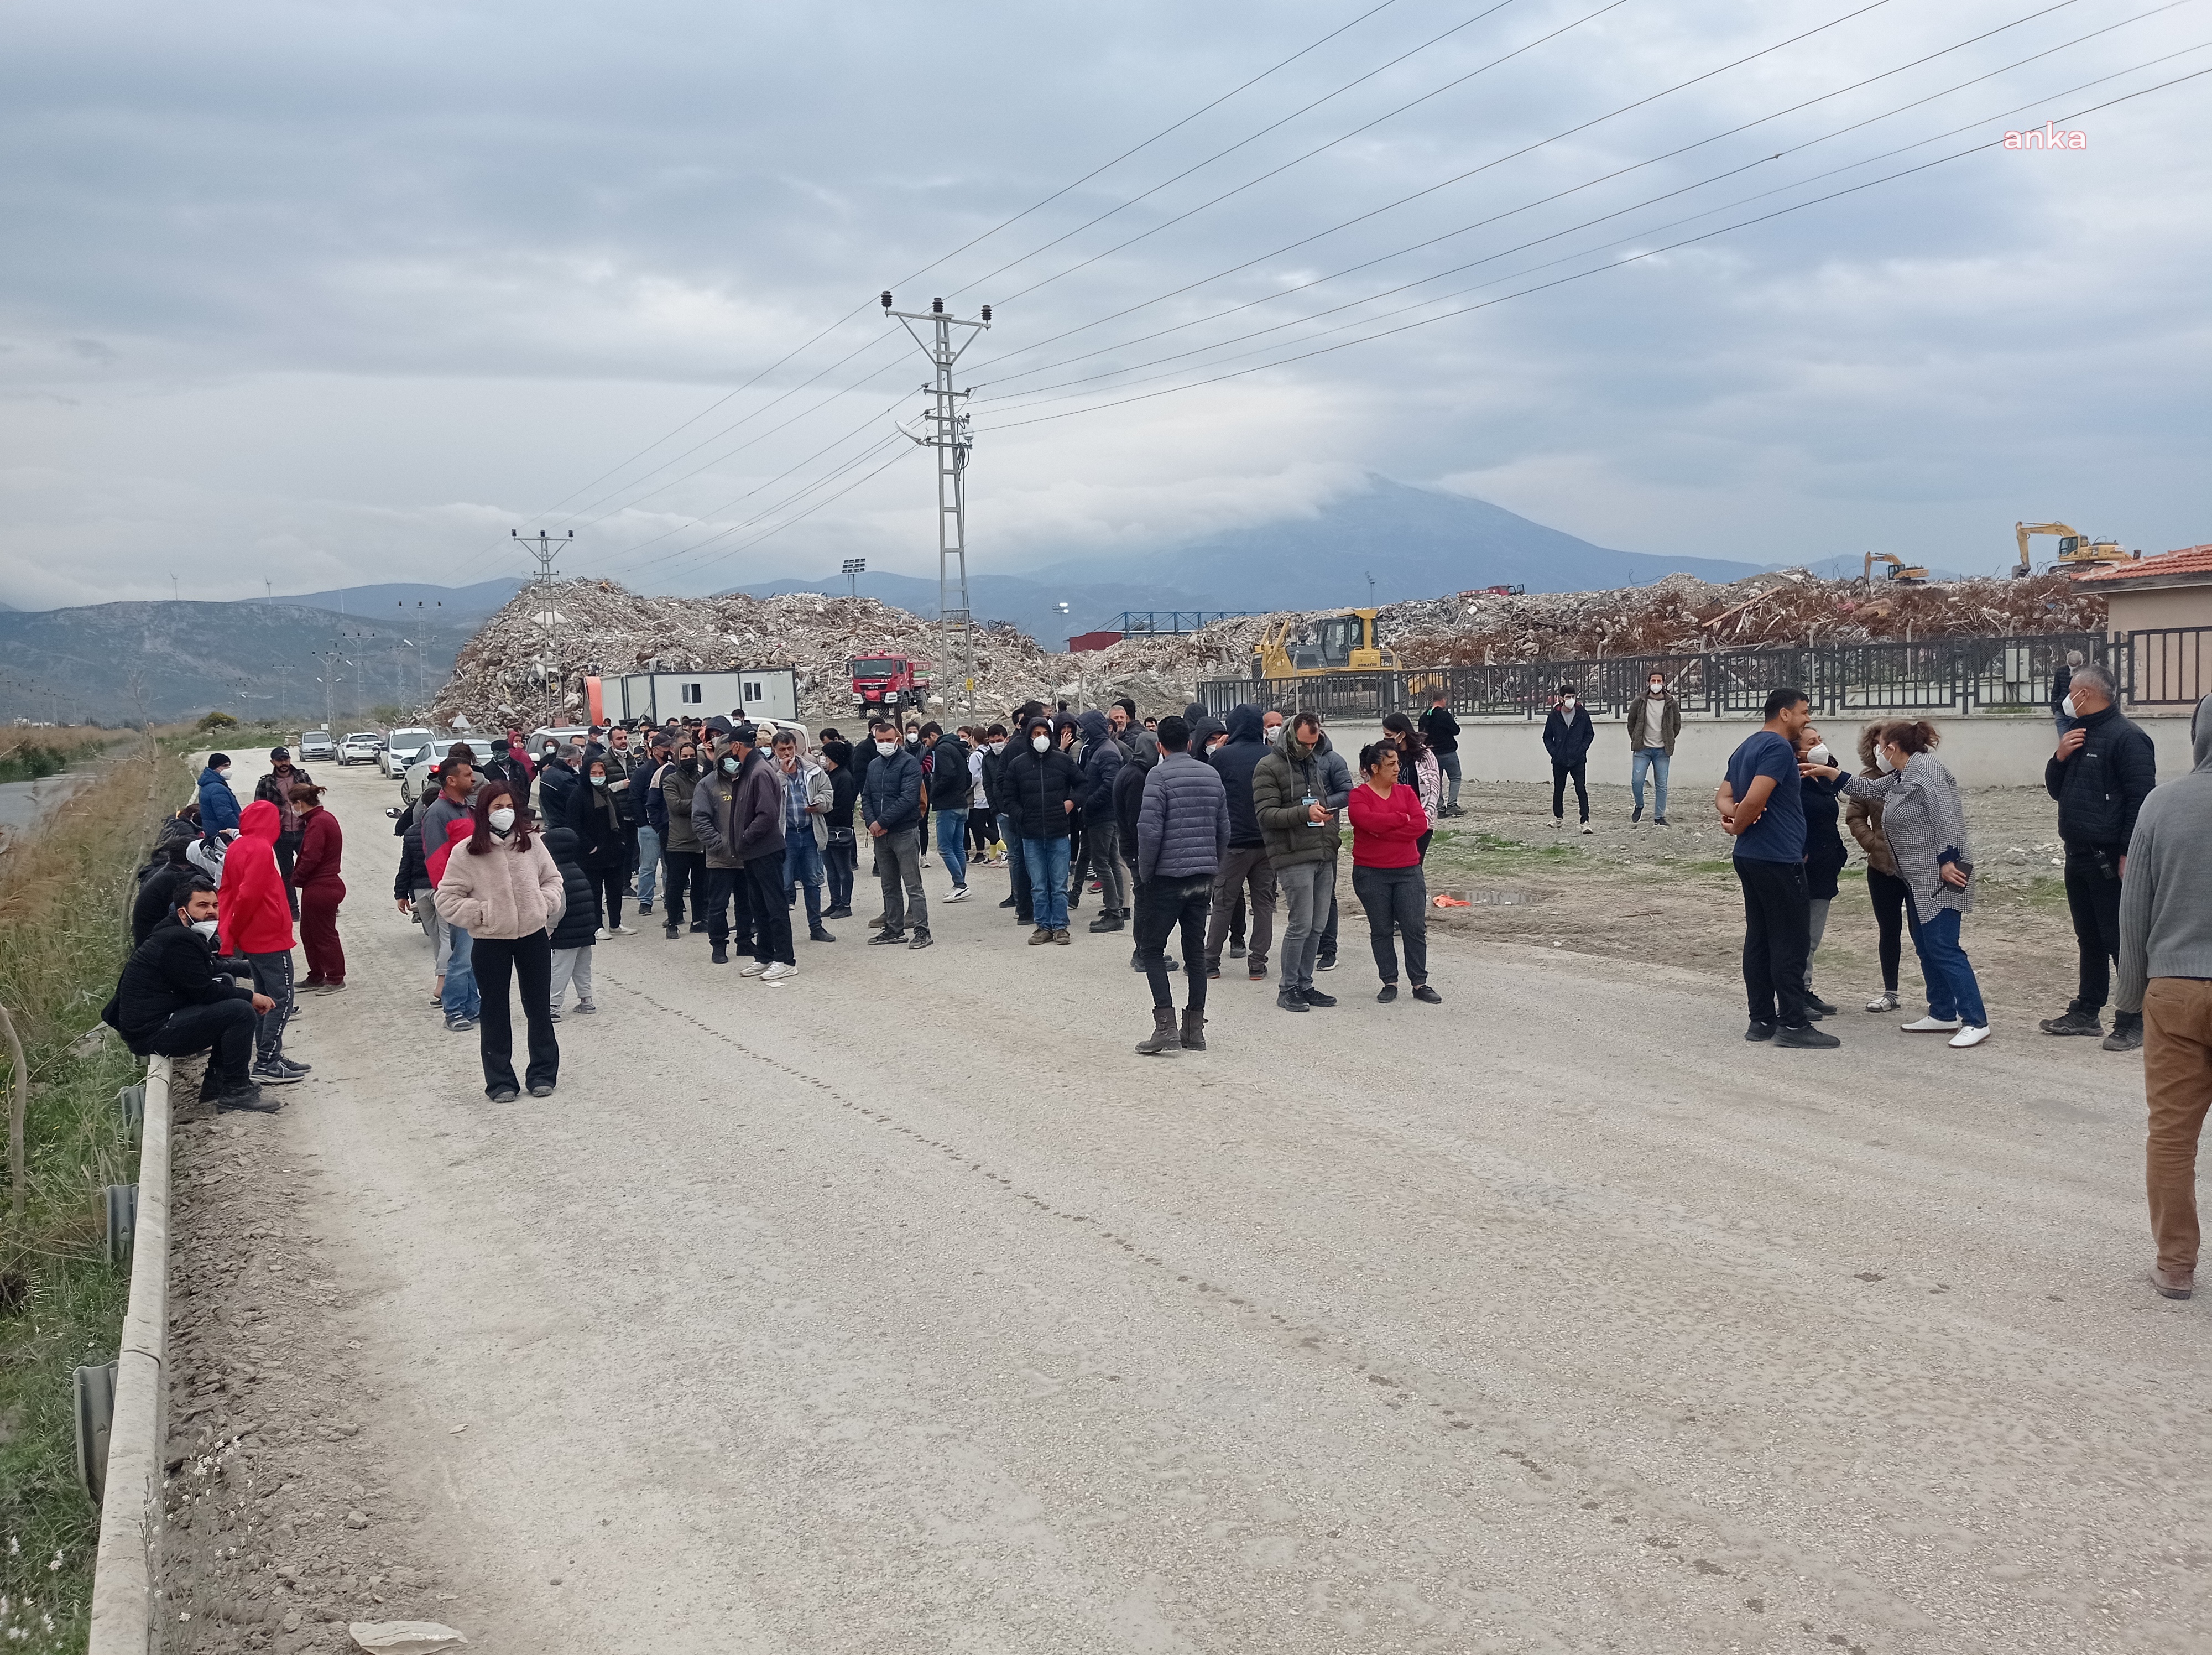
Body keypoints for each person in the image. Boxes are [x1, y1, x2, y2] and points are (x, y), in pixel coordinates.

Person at [2116, 693, 2212, 1300]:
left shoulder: (2163, 803)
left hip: (2174, 988)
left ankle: (2175, 1264)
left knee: (2173, 1135)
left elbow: (2135, 909)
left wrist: (2128, 996)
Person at [1820, 720, 1988, 1048]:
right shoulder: (1903, 775)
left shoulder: (1927, 773)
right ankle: (1942, 1013)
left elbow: (1948, 818)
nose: (1878, 751)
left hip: (1943, 872)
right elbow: (1870, 791)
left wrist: (1948, 861)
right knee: (1927, 946)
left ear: (1892, 748)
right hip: (1917, 875)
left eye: (1881, 745)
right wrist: (1831, 775)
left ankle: (1975, 1020)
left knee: (1944, 946)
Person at [2041, 660, 2157, 1048]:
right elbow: (2057, 790)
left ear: (2085, 694)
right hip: (2077, 852)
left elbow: (2140, 801)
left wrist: (2127, 853)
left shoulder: (2128, 738)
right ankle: (2087, 1012)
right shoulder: (2077, 734)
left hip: (2109, 858)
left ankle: (2134, 1019)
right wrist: (2058, 758)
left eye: (2070, 691)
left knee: (2119, 939)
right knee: (2088, 937)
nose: (2066, 699)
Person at [1715, 688, 1836, 1048]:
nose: (1807, 719)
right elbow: (1755, 797)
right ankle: (1794, 1025)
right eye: (1804, 712)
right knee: (1791, 941)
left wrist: (1732, 817)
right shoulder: (1778, 748)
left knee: (1760, 938)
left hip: (1750, 856)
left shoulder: (1747, 746)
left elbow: (1723, 796)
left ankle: (1762, 1021)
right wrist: (1738, 822)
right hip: (1777, 858)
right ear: (1784, 714)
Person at [432, 782, 565, 1100]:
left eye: (508, 806)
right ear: (484, 812)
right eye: (496, 807)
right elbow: (447, 898)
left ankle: (543, 1073)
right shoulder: (466, 851)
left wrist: (543, 904)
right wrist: (482, 914)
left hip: (532, 937)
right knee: (494, 1011)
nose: (504, 812)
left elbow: (553, 879)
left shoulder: (532, 843)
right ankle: (501, 1081)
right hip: (491, 941)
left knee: (538, 1008)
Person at [106, 876, 276, 1113]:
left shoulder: (177, 931)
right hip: (151, 1032)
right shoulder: (177, 939)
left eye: (215, 906)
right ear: (183, 912)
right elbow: (205, 992)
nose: (211, 912)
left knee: (229, 992)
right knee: (239, 1011)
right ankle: (236, 1091)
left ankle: (217, 1083)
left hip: (157, 1020)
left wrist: (251, 967)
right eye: (203, 906)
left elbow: (210, 969)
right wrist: (251, 996)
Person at [1133, 715, 1229, 1054]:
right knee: (1195, 951)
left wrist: (1147, 874)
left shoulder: (1157, 776)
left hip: (1167, 877)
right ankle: (1195, 1029)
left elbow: (1149, 831)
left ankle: (1165, 1027)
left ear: (1160, 745)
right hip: (1203, 876)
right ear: (1190, 743)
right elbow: (1223, 828)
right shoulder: (1211, 774)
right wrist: (1213, 865)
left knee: (1151, 949)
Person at [1252, 711, 1343, 1013]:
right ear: (1291, 736)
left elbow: (1322, 800)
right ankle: (1288, 988)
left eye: (1314, 744)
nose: (1309, 749)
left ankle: (1306, 983)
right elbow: (1266, 816)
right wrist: (1305, 814)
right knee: (1300, 925)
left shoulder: (1315, 762)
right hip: (1292, 856)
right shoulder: (1268, 767)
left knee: (1318, 926)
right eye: (1304, 744)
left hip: (1322, 853)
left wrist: (1328, 823)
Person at [218, 800, 310, 1087]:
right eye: (277, 820)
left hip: (254, 935)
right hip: (267, 935)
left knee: (263, 997)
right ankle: (267, 1060)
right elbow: (249, 895)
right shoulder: (259, 848)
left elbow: (231, 892)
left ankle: (271, 1055)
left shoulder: (238, 846)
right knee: (281, 999)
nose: (281, 825)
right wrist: (238, 926)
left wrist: (234, 931)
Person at [1348, 741, 1441, 1004]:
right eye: (1391, 764)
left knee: (1414, 927)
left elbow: (1420, 825)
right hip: (1371, 873)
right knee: (1381, 929)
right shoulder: (1359, 796)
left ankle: (1420, 983)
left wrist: (1382, 830)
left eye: (1398, 763)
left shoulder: (1406, 793)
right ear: (1375, 768)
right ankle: (1389, 981)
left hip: (1407, 871)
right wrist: (1401, 819)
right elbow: (1364, 820)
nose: (1397, 768)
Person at [1201, 706, 1275, 980]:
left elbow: (1209, 794)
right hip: (1267, 842)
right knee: (1264, 904)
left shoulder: (1222, 757)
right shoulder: (1272, 755)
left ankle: (1210, 961)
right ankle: (1258, 963)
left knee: (1223, 903)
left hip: (1233, 844)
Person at [1843, 722, 1910, 1014]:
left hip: (1917, 868)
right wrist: (1873, 843)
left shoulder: (1918, 775)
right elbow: (1855, 816)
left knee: (1926, 933)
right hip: (1881, 867)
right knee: (1889, 930)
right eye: (1877, 744)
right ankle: (1890, 991)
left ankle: (1941, 995)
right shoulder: (1867, 779)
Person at [1000, 712, 1083, 945]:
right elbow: (1008, 796)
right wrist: (1021, 816)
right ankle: (1043, 927)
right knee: (1038, 885)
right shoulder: (1018, 765)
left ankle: (1060, 927)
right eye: (1037, 734)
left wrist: (1072, 802)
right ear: (1029, 737)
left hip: (1058, 833)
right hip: (1031, 835)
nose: (1041, 738)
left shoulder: (1063, 761)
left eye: (1045, 734)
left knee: (1058, 885)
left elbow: (1083, 784)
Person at [859, 716, 931, 948]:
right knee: (888, 885)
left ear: (898, 740)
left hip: (904, 832)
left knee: (913, 886)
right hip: (881, 834)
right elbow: (867, 796)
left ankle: (922, 930)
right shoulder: (873, 765)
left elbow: (908, 798)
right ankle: (894, 928)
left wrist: (881, 822)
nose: (885, 744)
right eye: (880, 740)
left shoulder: (909, 763)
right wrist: (872, 822)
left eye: (889, 739)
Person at [690, 723, 756, 965]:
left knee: (746, 903)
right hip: (720, 858)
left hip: (746, 856)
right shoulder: (707, 785)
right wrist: (719, 844)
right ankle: (718, 945)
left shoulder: (750, 779)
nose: (733, 761)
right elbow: (700, 820)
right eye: (727, 757)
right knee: (718, 907)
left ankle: (746, 941)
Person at [1794, 722, 1847, 1017]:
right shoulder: (1790, 780)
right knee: (1798, 935)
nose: (1819, 746)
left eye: (1820, 740)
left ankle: (1804, 988)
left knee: (1813, 937)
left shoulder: (1824, 779)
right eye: (1811, 742)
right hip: (1802, 866)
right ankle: (1792, 995)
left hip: (1826, 866)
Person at [774, 728, 836, 946]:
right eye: (782, 750)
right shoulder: (770, 772)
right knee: (783, 884)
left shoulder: (813, 770)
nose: (787, 753)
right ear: (775, 751)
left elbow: (829, 794)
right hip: (785, 836)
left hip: (809, 832)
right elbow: (767, 800)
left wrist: (819, 803)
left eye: (790, 748)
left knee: (812, 882)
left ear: (796, 747)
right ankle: (781, 932)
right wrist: (782, 774)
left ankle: (816, 927)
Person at [567, 754, 634, 938]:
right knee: (595, 892)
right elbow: (574, 824)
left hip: (614, 852)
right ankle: (597, 926)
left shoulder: (608, 792)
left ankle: (616, 924)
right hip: (592, 855)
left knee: (615, 890)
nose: (598, 776)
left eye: (601, 772)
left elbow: (618, 818)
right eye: (594, 773)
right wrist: (590, 846)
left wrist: (622, 841)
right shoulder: (579, 795)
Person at [289, 783, 346, 993]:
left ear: (299, 803)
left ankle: (335, 978)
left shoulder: (318, 823)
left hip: (321, 885)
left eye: (292, 805)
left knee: (323, 935)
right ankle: (317, 976)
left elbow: (311, 857)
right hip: (322, 884)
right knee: (310, 933)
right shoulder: (322, 819)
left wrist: (296, 878)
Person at [541, 824, 600, 1018]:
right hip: (584, 929)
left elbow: (560, 906)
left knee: (560, 968)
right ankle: (587, 1000)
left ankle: (553, 1005)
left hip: (566, 931)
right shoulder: (577, 869)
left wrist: (550, 928)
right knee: (582, 966)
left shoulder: (557, 875)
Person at [1076, 710, 1128, 932]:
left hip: (1103, 816)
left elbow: (1110, 784)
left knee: (1101, 864)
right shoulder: (1099, 749)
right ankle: (1114, 907)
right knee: (1110, 862)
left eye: (1084, 729)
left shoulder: (1106, 752)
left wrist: (1088, 804)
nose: (1081, 733)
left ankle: (1114, 913)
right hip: (1103, 815)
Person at [253, 747, 313, 916]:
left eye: (286, 759)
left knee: (311, 869)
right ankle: (293, 909)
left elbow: (314, 802)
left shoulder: (302, 777)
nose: (284, 763)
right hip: (281, 835)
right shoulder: (265, 783)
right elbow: (258, 810)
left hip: (304, 831)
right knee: (287, 873)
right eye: (280, 760)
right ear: (273, 762)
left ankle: (317, 903)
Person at [659, 738, 706, 938]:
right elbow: (676, 806)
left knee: (701, 884)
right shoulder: (670, 780)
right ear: (677, 758)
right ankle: (673, 922)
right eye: (685, 756)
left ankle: (699, 920)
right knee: (676, 884)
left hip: (702, 840)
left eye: (692, 756)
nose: (689, 759)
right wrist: (700, 802)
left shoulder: (703, 778)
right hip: (679, 841)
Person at [921, 722, 972, 902]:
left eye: (926, 741)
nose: (926, 745)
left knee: (945, 847)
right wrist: (961, 791)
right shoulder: (958, 748)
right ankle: (960, 884)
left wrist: (933, 793)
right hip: (961, 803)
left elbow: (947, 775)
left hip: (947, 805)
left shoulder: (942, 749)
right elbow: (968, 776)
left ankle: (960, 884)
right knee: (958, 847)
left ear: (933, 735)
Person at [1379, 712, 1441, 856]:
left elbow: (1433, 789)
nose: (1386, 739)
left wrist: (1424, 817)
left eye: (1389, 735)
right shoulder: (1389, 755)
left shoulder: (1424, 756)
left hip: (1420, 820)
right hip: (1396, 820)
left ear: (1402, 734)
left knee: (1413, 863)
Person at [1627, 672, 1679, 825]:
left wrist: (1669, 739)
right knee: (1637, 781)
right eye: (1653, 680)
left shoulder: (1671, 702)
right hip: (1643, 749)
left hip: (1663, 750)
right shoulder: (1640, 700)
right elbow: (1631, 722)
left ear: (1664, 683)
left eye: (1659, 681)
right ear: (1648, 682)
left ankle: (1659, 817)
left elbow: (1676, 725)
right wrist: (1637, 739)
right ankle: (1639, 805)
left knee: (1662, 784)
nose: (1656, 683)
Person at [1543, 685, 1594, 832]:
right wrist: (1555, 753)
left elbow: (1589, 735)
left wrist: (1581, 749)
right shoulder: (1554, 716)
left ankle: (1585, 821)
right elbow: (1547, 737)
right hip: (1560, 760)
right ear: (1561, 698)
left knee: (1581, 789)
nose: (1571, 700)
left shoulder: (1583, 715)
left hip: (1578, 759)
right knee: (1559, 789)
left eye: (1573, 697)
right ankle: (1558, 817)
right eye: (1568, 697)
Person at [819, 739, 859, 919]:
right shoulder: (831, 775)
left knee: (843, 869)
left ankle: (845, 904)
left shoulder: (844, 777)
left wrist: (823, 811)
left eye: (825, 756)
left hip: (838, 829)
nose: (823, 759)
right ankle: (835, 902)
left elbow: (843, 807)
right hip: (827, 829)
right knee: (831, 869)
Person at [628, 732, 665, 915]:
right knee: (648, 866)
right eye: (665, 748)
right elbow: (634, 798)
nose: (668, 751)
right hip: (649, 827)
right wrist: (642, 823)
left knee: (669, 866)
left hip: (668, 825)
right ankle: (645, 901)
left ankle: (671, 899)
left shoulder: (672, 769)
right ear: (655, 750)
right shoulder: (643, 772)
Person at [1418, 690, 1463, 816]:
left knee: (1436, 781)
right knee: (1455, 778)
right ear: (1443, 700)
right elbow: (1456, 731)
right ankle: (1452, 805)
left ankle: (1439, 808)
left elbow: (1421, 736)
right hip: (1448, 752)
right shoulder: (1445, 716)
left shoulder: (1424, 717)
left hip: (1432, 754)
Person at [196, 752, 242, 840]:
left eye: (229, 766)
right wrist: (239, 830)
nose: (228, 769)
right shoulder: (217, 789)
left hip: (213, 834)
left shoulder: (207, 785)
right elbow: (226, 815)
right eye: (225, 766)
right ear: (215, 767)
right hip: (224, 836)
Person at [535, 740, 578, 823]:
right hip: (564, 822)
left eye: (551, 746)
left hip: (555, 821)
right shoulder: (565, 779)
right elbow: (576, 801)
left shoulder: (550, 773)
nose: (578, 764)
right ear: (569, 761)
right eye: (578, 761)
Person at [2052, 648, 2084, 735]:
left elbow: (2055, 691)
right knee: (2074, 742)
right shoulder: (2086, 672)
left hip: (2069, 711)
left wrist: (2055, 709)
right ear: (2081, 661)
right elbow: (2055, 691)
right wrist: (2055, 710)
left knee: (2069, 742)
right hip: (2072, 711)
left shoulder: (2060, 671)